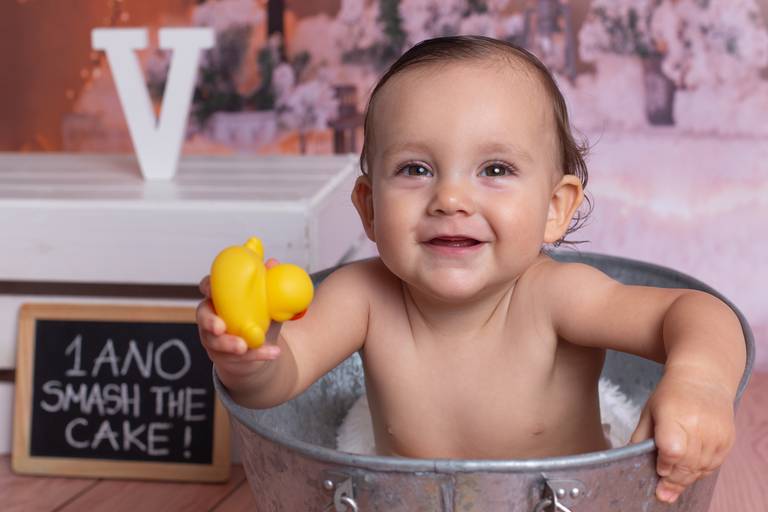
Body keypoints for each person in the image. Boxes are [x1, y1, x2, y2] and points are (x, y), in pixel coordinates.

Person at [196, 36, 746, 504]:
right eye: (415, 168)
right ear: (368, 206)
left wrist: (700, 382)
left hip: (562, 503)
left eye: (495, 168)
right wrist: (251, 353)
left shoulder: (558, 296)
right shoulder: (361, 297)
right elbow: (279, 382)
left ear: (554, 208)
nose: (451, 197)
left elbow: (692, 310)